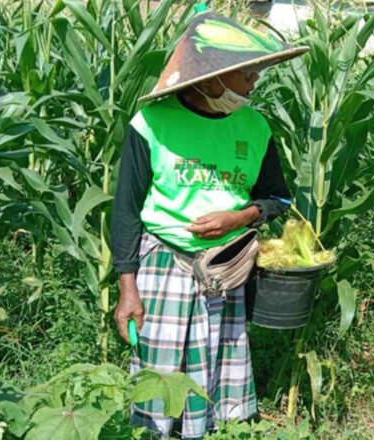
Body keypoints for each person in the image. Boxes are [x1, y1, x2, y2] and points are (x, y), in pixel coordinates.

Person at [111, 9, 307, 439]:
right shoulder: (152, 125)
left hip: (225, 269)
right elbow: (126, 208)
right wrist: (127, 289)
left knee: (213, 366)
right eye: (247, 73)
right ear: (214, 76)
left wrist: (240, 217)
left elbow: (277, 198)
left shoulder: (255, 128)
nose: (254, 81)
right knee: (159, 375)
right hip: (164, 264)